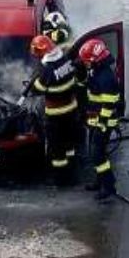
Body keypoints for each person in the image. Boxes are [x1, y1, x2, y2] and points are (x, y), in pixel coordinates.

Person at [29, 34, 82, 183]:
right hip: (71, 109)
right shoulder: (65, 60)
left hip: (55, 113)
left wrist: (34, 80)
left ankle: (61, 178)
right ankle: (72, 166)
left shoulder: (47, 71)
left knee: (56, 146)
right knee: (69, 141)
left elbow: (38, 89)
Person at [78, 38, 121, 201]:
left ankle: (109, 186)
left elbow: (108, 105)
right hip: (95, 120)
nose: (85, 64)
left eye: (87, 61)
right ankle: (100, 181)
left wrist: (102, 124)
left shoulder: (106, 78)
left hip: (104, 123)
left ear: (95, 60)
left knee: (98, 155)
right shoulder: (97, 70)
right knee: (95, 152)